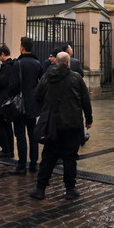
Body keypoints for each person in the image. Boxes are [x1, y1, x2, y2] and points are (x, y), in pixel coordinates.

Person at [29, 52, 92, 201]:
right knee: (70, 158)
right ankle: (70, 189)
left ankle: (40, 188)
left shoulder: (47, 77)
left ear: (56, 62)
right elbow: (85, 100)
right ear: (68, 63)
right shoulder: (76, 77)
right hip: (72, 124)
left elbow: (37, 96)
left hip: (52, 124)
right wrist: (89, 119)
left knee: (48, 156)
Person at [14, 37, 44, 175]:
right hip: (33, 103)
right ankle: (34, 163)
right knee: (32, 134)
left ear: (22, 47)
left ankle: (21, 164)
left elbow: (13, 85)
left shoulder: (18, 63)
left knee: (20, 134)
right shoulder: (37, 63)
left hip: (20, 104)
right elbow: (42, 82)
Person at [0, 45, 16, 160]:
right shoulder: (12, 65)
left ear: (3, 54)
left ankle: (6, 149)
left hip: (3, 100)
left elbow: (3, 82)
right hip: (7, 99)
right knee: (7, 126)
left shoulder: (7, 66)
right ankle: (9, 150)